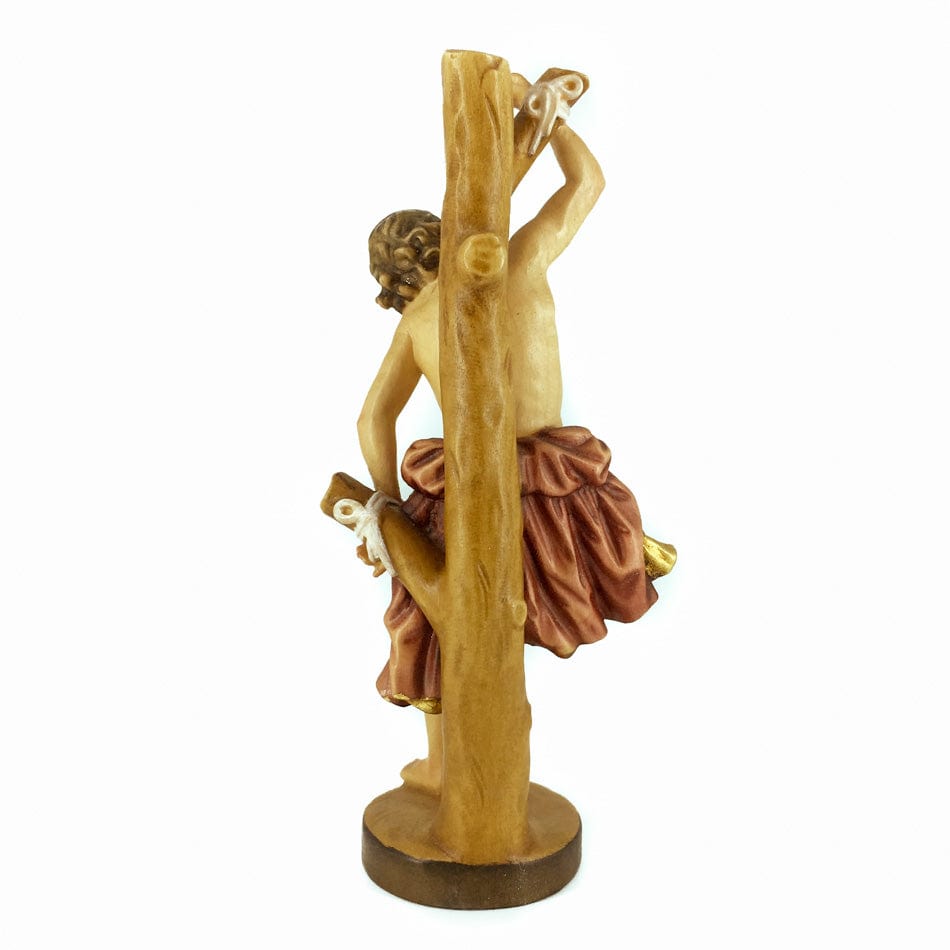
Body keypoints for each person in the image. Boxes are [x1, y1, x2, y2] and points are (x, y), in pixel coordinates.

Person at [355, 79, 670, 791]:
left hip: (477, 494)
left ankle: (444, 766)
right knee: (475, 615)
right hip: (558, 495)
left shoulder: (416, 322)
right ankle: (473, 774)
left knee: (427, 620)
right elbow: (588, 183)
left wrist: (385, 504)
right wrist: (553, 122)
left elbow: (372, 418)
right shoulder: (519, 259)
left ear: (393, 280)